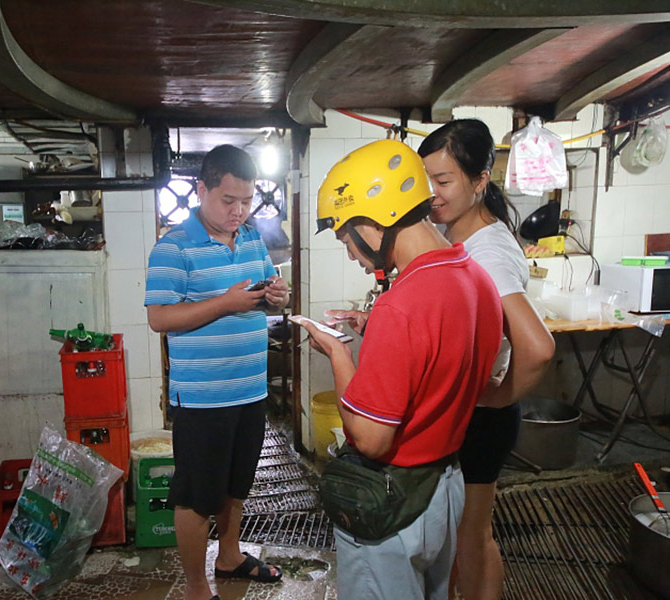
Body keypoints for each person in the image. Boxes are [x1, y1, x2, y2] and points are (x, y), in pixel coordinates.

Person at [304, 139, 503, 599]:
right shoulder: (475, 277)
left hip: (394, 499)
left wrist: (339, 356)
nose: (352, 254)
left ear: (374, 224)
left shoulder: (403, 304)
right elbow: (449, 371)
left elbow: (372, 440)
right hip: (445, 486)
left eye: (345, 238)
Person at [417, 119, 555, 600]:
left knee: (471, 539)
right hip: (468, 413)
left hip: (481, 420)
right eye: (425, 180)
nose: (431, 193)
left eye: (444, 180)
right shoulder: (461, 238)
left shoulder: (488, 251)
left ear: (479, 182)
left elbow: (537, 348)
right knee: (462, 538)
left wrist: (496, 397)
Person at [144, 144, 289, 600]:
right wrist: (224, 302)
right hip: (204, 398)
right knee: (196, 495)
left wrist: (277, 295)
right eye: (229, 201)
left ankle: (229, 556)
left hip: (249, 388)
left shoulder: (250, 238)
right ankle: (194, 587)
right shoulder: (173, 247)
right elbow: (160, 319)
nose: (239, 211)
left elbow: (266, 284)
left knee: (236, 485)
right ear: (202, 190)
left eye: (247, 201)